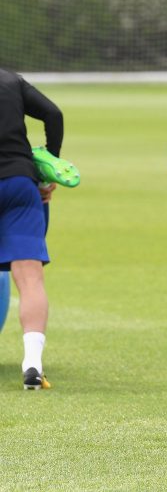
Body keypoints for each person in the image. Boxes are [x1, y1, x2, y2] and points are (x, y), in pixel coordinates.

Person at [0, 68, 64, 390]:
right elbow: (53, 113)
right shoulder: (10, 80)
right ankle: (32, 363)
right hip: (20, 184)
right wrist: (51, 165)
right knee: (30, 278)